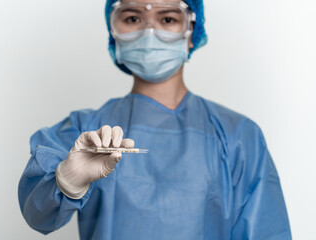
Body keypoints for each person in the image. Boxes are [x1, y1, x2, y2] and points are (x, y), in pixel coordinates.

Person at [18, 0, 292, 239]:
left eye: (168, 19)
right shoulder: (85, 132)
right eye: (133, 18)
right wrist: (66, 182)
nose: (150, 33)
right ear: (115, 33)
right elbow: (37, 214)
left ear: (192, 33)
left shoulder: (238, 136)